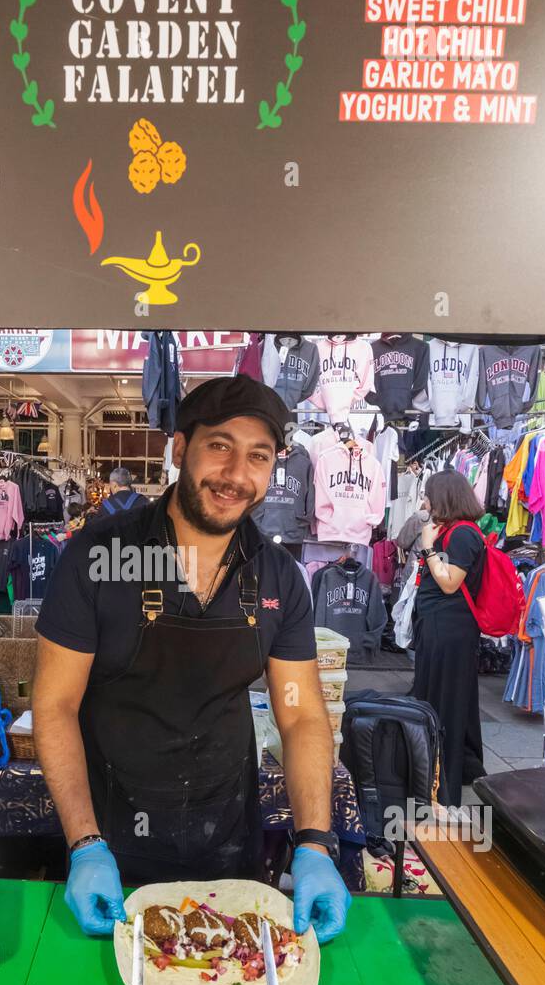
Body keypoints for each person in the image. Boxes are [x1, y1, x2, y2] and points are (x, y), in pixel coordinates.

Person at [33, 374, 350, 942]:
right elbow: (54, 706)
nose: (235, 475)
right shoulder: (98, 556)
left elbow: (301, 714)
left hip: (228, 842)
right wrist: (84, 845)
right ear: (180, 449)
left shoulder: (279, 577)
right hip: (109, 839)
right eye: (220, 446)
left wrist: (315, 843)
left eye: (258, 456)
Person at [412, 470, 487, 806]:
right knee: (445, 701)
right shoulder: (455, 532)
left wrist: (427, 548)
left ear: (443, 497)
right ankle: (447, 776)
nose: (424, 502)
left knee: (446, 706)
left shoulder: (463, 536)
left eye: (428, 495)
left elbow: (449, 582)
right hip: (443, 629)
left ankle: (444, 788)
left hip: (450, 632)